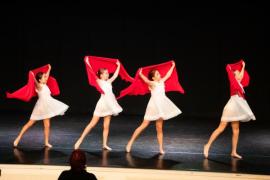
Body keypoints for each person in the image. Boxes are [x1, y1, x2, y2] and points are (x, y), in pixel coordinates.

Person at [126, 61, 181, 154]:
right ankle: (130, 143)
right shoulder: (152, 83)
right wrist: (140, 73)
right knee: (144, 125)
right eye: (157, 74)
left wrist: (172, 66)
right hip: (153, 106)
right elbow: (145, 80)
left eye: (159, 73)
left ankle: (160, 148)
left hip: (161, 106)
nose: (160, 75)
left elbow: (168, 75)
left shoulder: (162, 81)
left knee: (159, 128)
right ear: (153, 77)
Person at [204, 61, 256, 159]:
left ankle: (233, 152)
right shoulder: (233, 81)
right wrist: (243, 66)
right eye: (236, 72)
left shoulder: (241, 85)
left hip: (237, 107)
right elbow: (238, 75)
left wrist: (242, 67)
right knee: (221, 128)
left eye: (239, 72)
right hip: (231, 107)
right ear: (233, 75)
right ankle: (207, 145)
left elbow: (242, 77)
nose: (239, 73)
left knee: (236, 130)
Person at [13, 64, 69, 148]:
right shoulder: (39, 86)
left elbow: (47, 75)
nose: (46, 78)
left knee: (47, 126)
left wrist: (49, 69)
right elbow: (35, 81)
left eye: (45, 77)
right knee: (29, 124)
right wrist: (32, 76)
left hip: (47, 106)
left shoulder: (44, 83)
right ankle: (18, 138)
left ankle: (46, 142)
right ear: (39, 80)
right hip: (40, 107)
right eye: (44, 77)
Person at [74, 61, 122, 150]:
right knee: (92, 124)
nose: (108, 74)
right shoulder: (99, 81)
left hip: (110, 104)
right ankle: (79, 140)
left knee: (106, 126)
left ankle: (104, 144)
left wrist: (118, 65)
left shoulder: (109, 81)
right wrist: (87, 62)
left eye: (108, 73)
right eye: (106, 73)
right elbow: (91, 72)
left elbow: (115, 75)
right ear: (101, 75)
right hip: (102, 104)